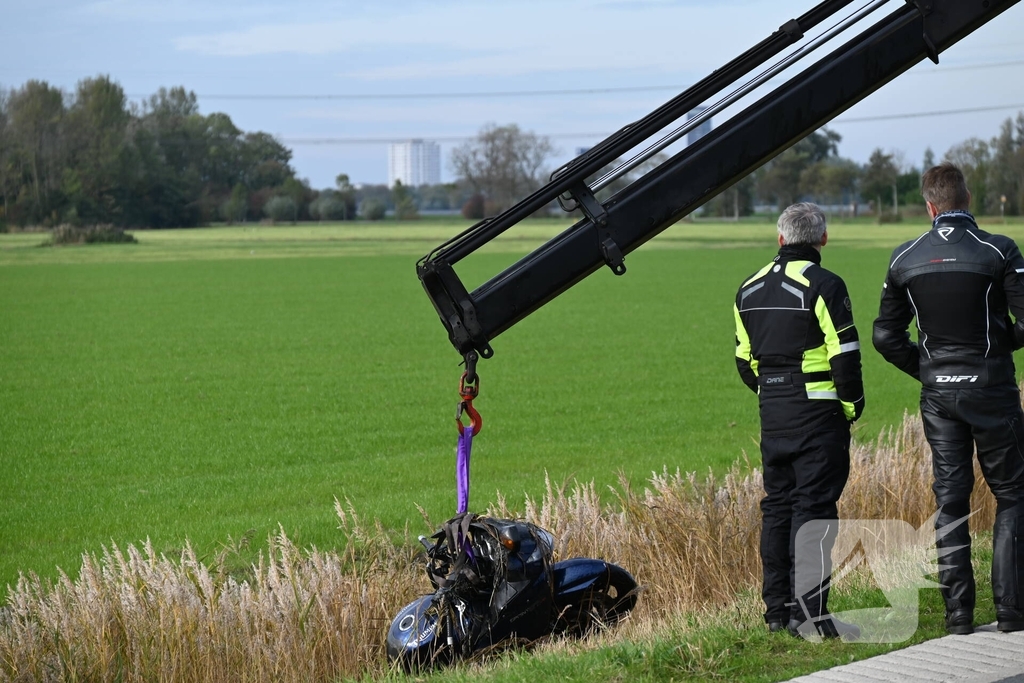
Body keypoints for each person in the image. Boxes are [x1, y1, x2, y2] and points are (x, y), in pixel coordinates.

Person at [873, 162, 1024, 635]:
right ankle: (1012, 613)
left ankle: (958, 618)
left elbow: (884, 335)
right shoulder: (999, 250)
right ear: (968, 199)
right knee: (1014, 495)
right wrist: (994, 351)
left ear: (929, 205)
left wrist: (929, 369)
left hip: (939, 396)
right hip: (992, 390)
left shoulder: (905, 257)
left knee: (951, 500)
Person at [734, 202, 865, 640]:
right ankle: (812, 618)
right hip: (818, 414)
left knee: (777, 509)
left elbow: (743, 362)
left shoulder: (746, 288)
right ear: (822, 239)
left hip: (773, 416)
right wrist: (851, 406)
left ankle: (777, 614)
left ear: (780, 239)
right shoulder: (825, 284)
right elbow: (844, 356)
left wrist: (773, 393)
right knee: (814, 512)